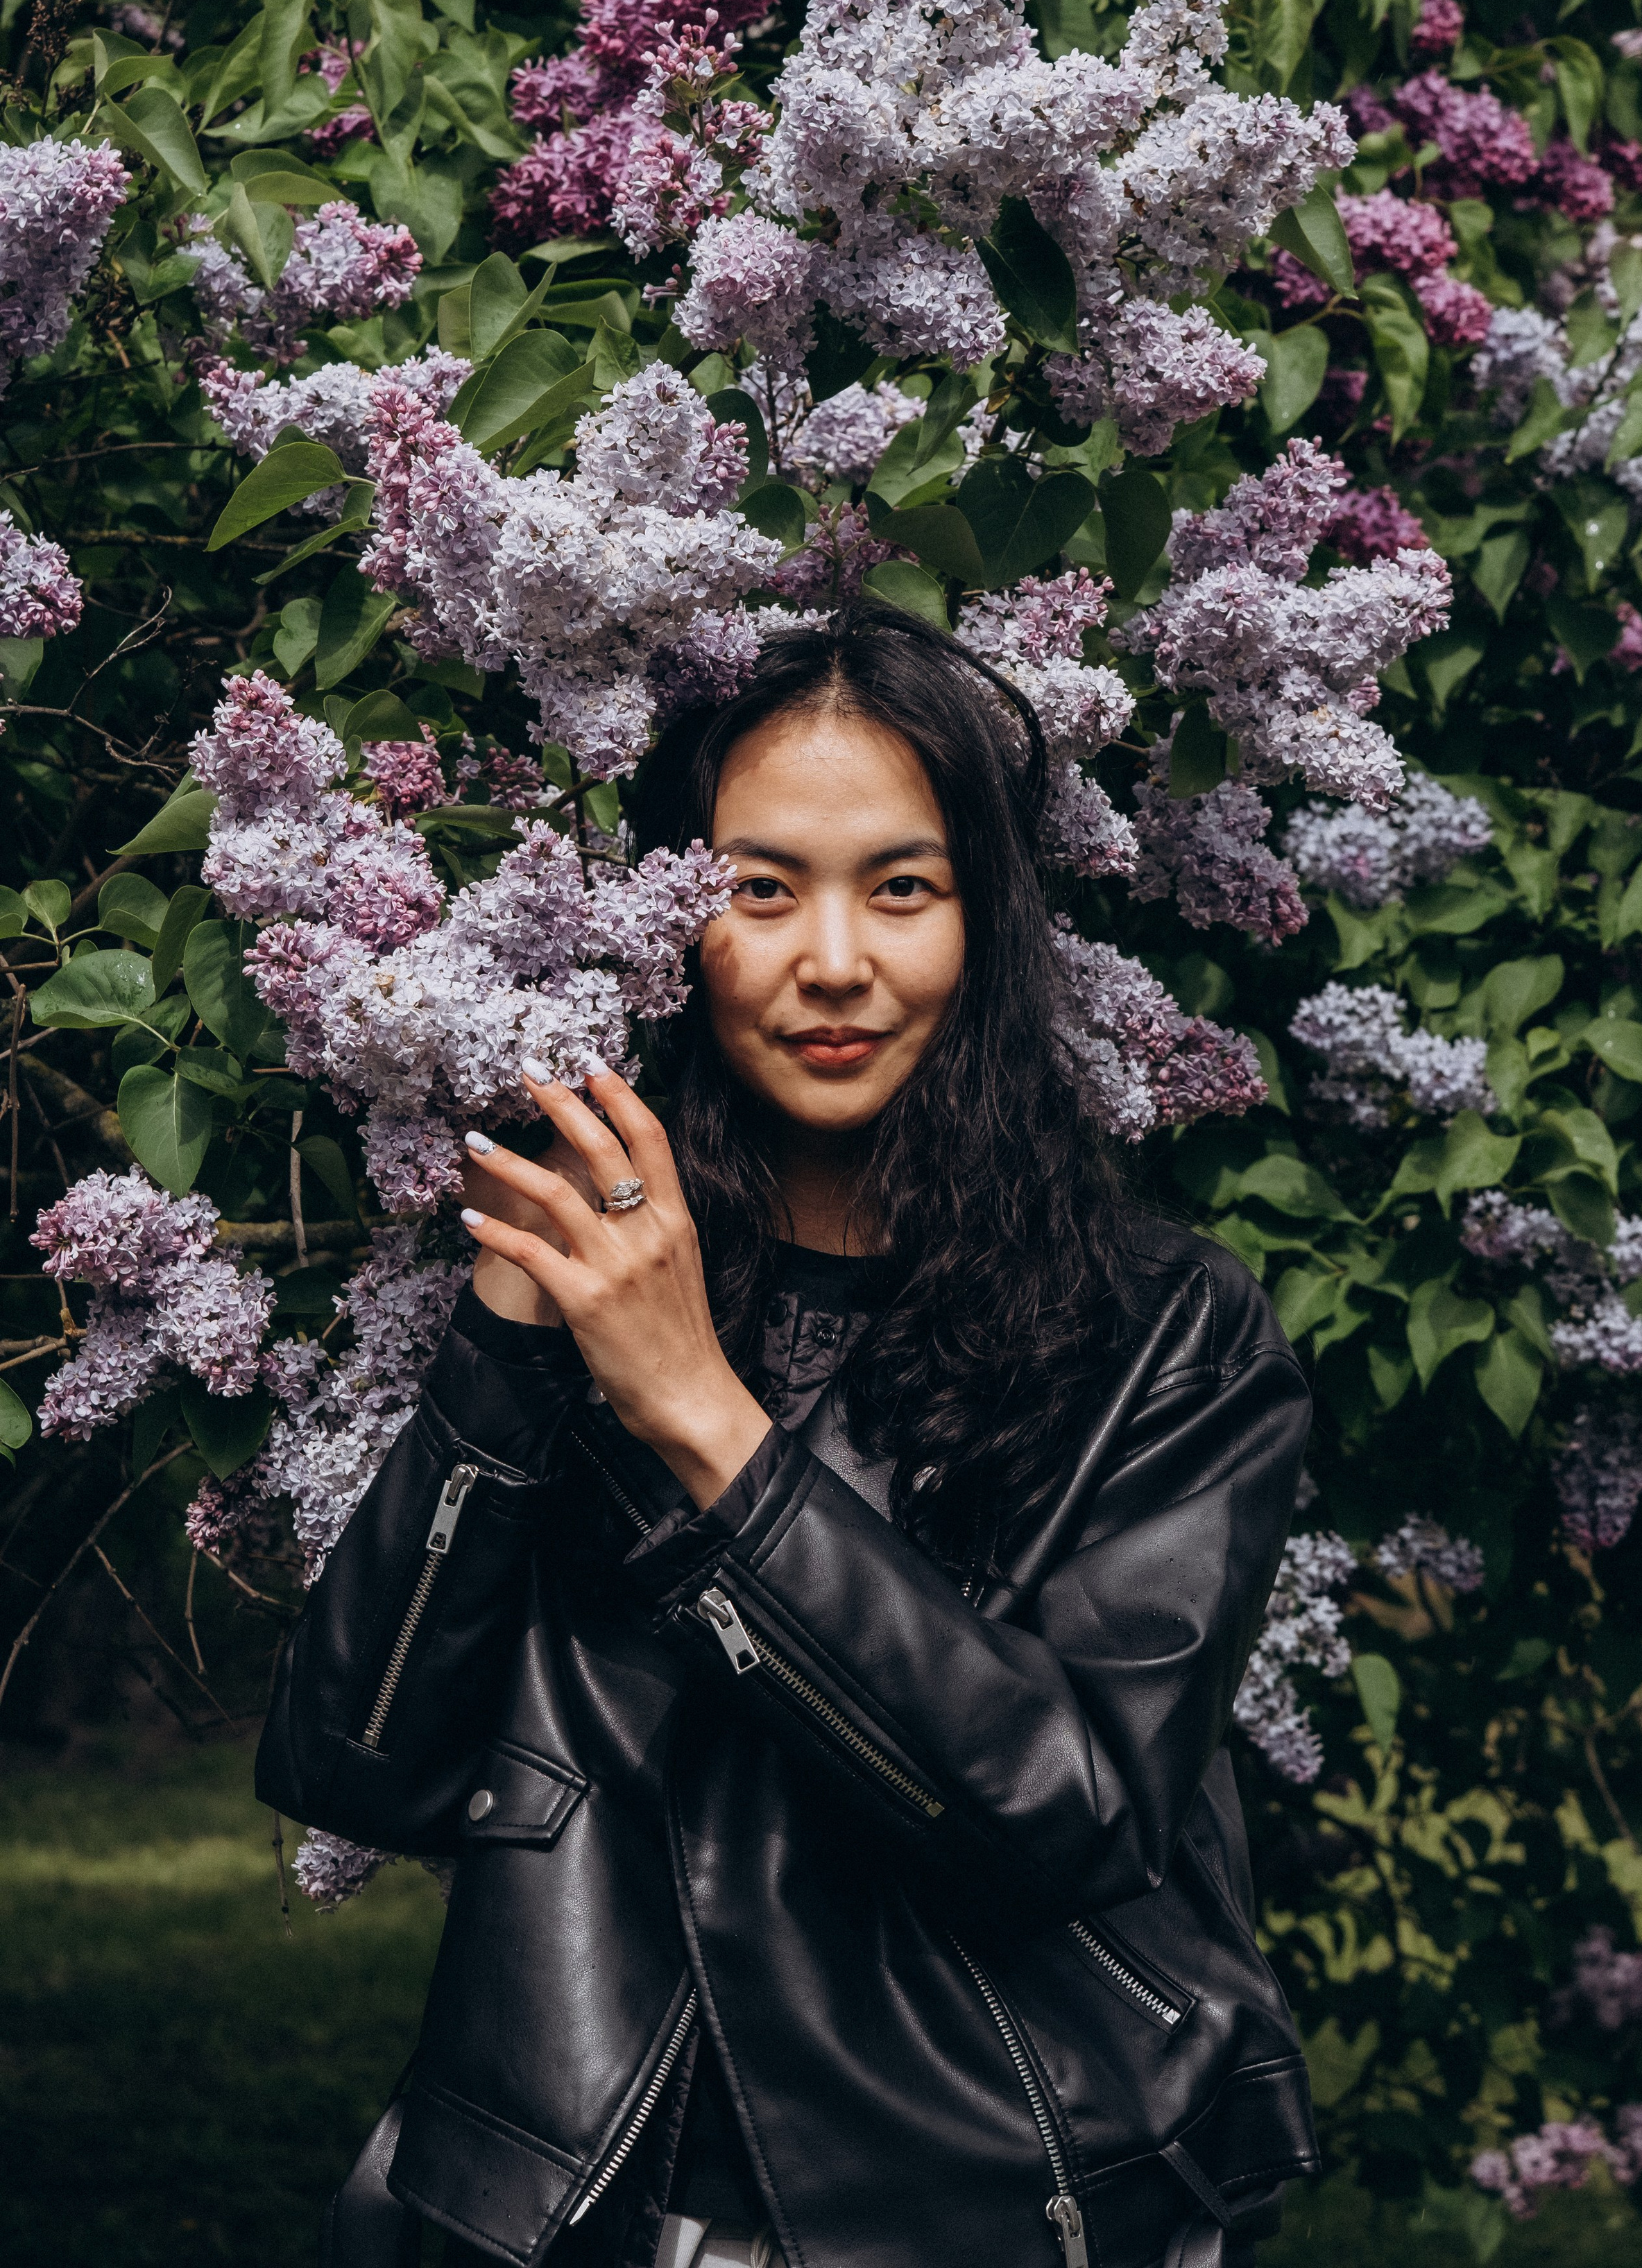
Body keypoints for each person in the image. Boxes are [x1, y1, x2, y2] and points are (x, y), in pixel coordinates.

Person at [259, 604, 1319, 2268]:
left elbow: (1068, 1811)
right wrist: (518, 1330)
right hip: (565, 2207)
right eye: (761, 890)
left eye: (901, 889)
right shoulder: (586, 1282)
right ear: (673, 923)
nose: (834, 961)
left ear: (984, 926)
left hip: (979, 2201)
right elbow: (356, 1760)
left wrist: (701, 1418)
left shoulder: (1160, 1335)